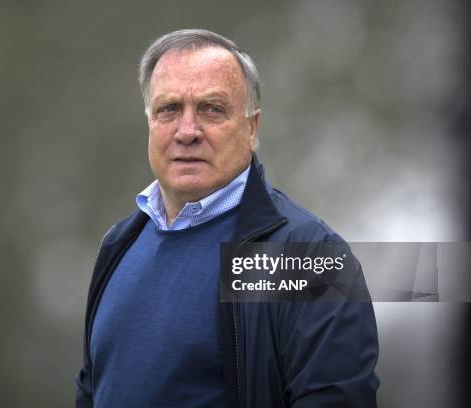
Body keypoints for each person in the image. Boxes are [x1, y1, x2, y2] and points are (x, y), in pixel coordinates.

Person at [75, 29, 379, 408]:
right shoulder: (118, 246)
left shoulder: (308, 257)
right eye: (169, 109)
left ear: (251, 128)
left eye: (212, 109)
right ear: (149, 121)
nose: (187, 131)